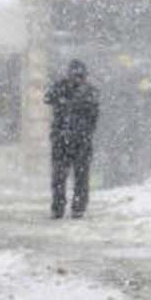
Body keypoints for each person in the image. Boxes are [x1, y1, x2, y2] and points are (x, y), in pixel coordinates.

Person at [43, 60, 100, 219]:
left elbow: (93, 116)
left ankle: (78, 207)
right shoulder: (61, 88)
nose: (77, 79)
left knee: (80, 177)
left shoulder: (90, 92)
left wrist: (85, 132)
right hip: (62, 140)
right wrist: (62, 88)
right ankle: (58, 207)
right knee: (59, 176)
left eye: (80, 76)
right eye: (75, 76)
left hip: (81, 141)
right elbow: (47, 98)